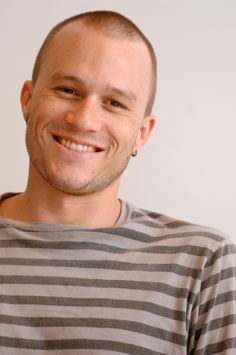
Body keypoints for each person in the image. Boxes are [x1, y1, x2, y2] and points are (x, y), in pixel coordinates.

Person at [0, 10, 235, 355]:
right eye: (68, 89)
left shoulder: (201, 264)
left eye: (115, 103)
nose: (84, 119)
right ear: (27, 99)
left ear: (142, 133)